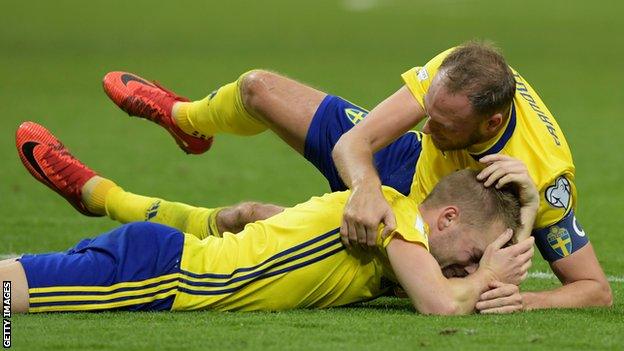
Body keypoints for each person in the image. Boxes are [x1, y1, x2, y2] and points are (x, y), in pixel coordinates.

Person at [98, 40, 611, 310]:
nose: (426, 125)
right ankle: (186, 121)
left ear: (491, 123)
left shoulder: (544, 176)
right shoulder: (453, 75)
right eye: (426, 110)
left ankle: (111, 201)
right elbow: (357, 142)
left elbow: (594, 289)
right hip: (399, 171)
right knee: (258, 88)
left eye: (444, 123)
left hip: (427, 232)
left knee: (250, 218)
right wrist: (365, 188)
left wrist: (521, 299)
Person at [4, 122, 535, 314]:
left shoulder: (384, 248)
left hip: (165, 259)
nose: (466, 271)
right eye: (469, 256)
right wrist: (489, 277)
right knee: (9, 298)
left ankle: (105, 196)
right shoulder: (391, 217)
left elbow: (259, 216)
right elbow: (442, 307)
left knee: (17, 275)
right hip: (160, 275)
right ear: (443, 220)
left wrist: (527, 209)